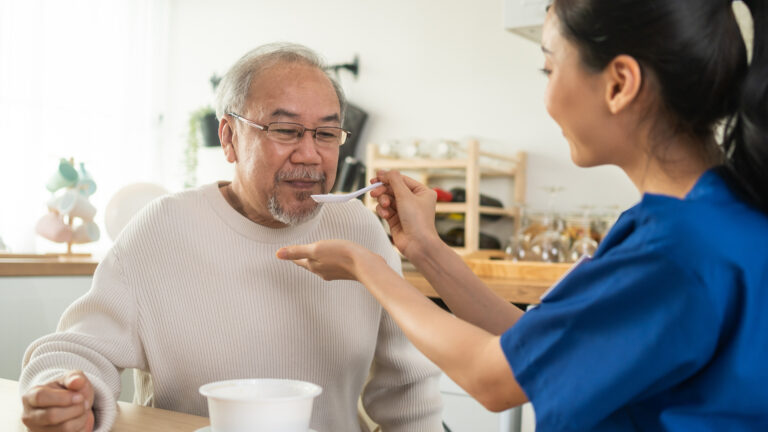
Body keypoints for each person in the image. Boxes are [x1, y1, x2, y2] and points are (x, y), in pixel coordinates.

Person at [277, 1, 768, 430]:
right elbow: (532, 347)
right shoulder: (710, 219)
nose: (547, 96)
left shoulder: (674, 251)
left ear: (619, 83)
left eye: (549, 70)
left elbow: (494, 377)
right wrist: (424, 248)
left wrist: (369, 269)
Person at [19, 43, 443, 432]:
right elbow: (77, 350)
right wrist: (68, 392)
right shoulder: (162, 229)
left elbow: (408, 387)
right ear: (228, 138)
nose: (311, 153)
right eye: (285, 130)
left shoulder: (361, 228)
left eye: (326, 133)